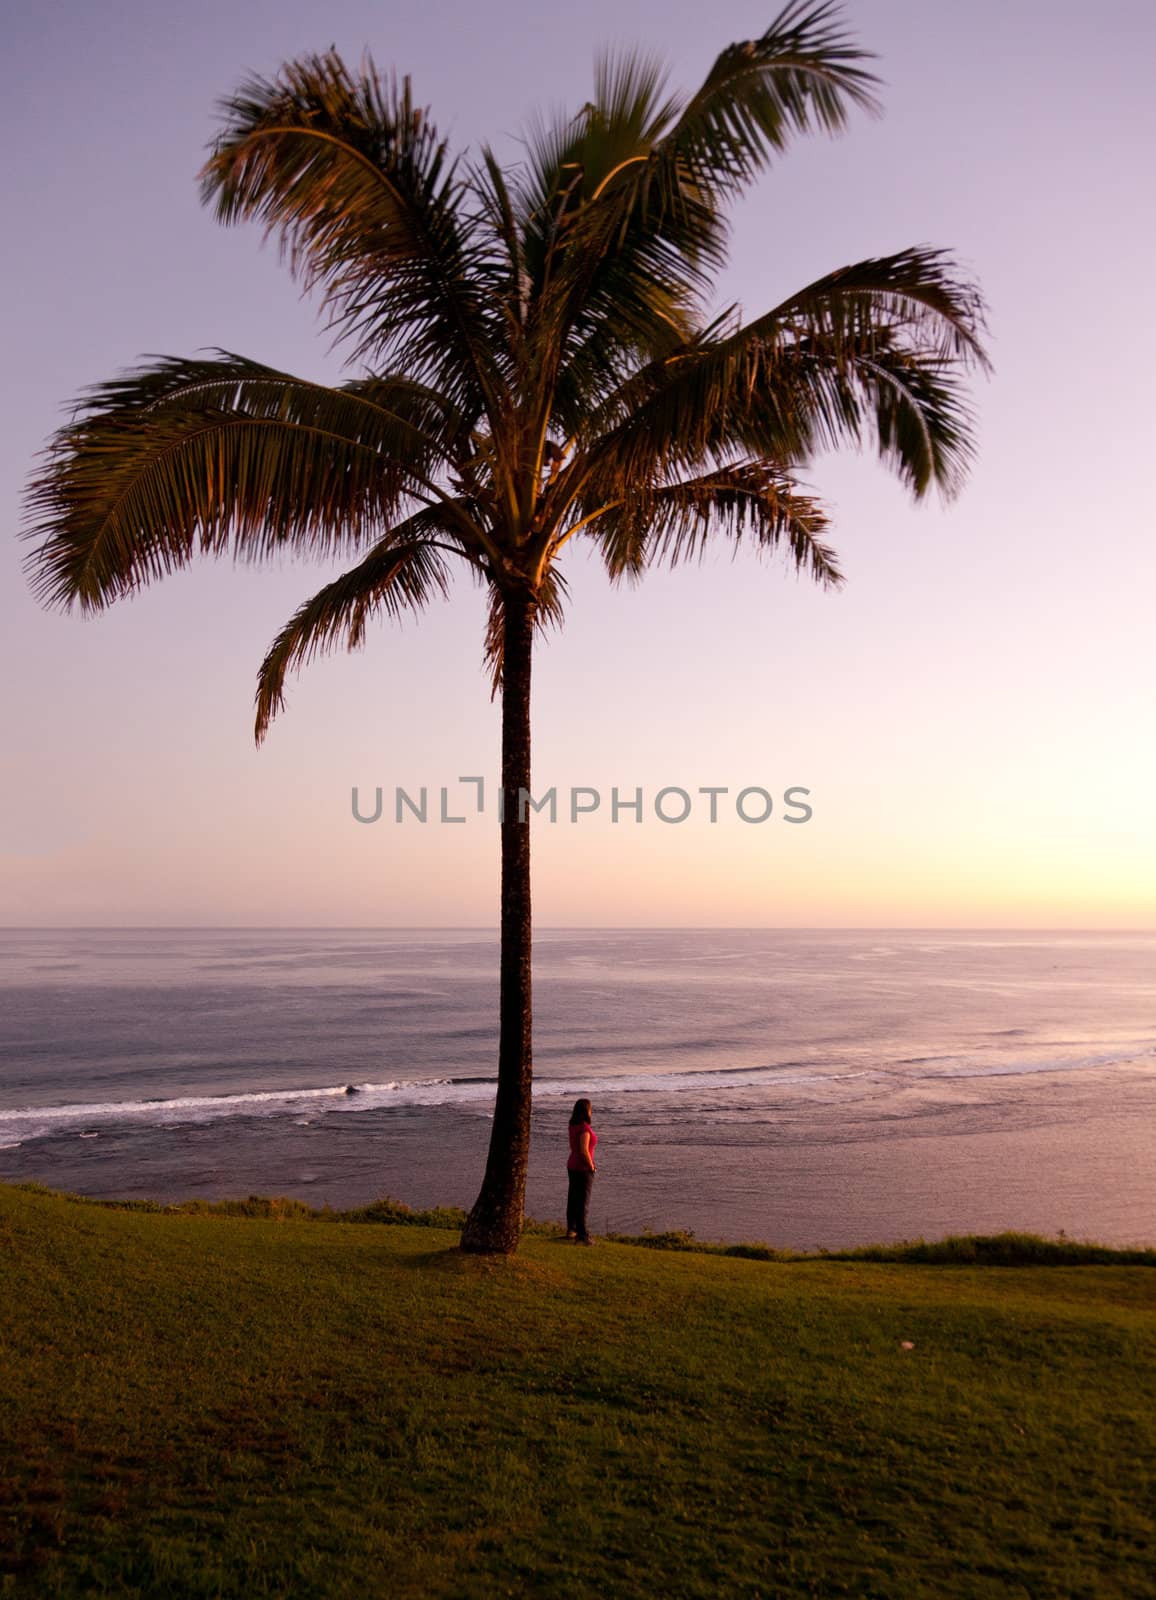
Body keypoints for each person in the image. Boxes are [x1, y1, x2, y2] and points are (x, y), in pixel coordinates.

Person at [565, 1097, 597, 1244]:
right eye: (590, 1109)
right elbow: (584, 1150)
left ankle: (572, 1229)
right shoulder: (584, 1128)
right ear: (586, 1111)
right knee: (583, 1201)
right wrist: (591, 1166)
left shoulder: (573, 1125)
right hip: (582, 1167)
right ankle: (583, 1235)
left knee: (573, 1199)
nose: (592, 1112)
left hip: (572, 1165)